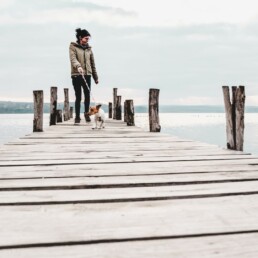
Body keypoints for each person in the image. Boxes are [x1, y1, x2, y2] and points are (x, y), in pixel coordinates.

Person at [69, 28, 99, 124]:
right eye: (86, 38)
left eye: (88, 39)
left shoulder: (89, 49)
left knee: (87, 96)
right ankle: (77, 117)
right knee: (78, 96)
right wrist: (78, 67)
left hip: (87, 75)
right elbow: (73, 59)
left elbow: (92, 64)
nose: (87, 40)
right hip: (77, 75)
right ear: (80, 37)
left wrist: (95, 77)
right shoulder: (73, 47)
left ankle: (87, 114)